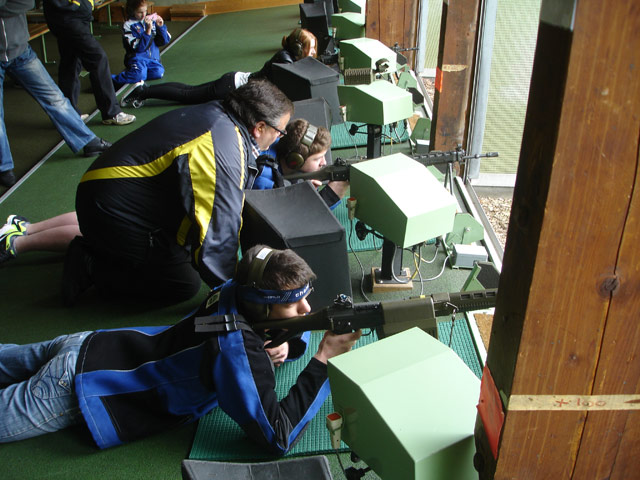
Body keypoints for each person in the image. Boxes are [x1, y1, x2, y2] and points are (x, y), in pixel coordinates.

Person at [0, 245, 362, 452]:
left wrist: (285, 340)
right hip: (79, 387)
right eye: (293, 304)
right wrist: (323, 360)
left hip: (87, 345)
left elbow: (252, 333)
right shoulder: (236, 350)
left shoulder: (231, 290)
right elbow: (277, 436)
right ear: (263, 307)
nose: (306, 310)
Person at [1, 79, 292, 307]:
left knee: (180, 247)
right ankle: (90, 265)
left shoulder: (221, 116)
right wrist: (236, 296)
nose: (279, 137)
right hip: (110, 205)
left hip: (109, 188)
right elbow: (218, 235)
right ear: (259, 127)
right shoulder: (222, 148)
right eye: (280, 132)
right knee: (182, 283)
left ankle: (84, 242)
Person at [0, 0, 113, 188]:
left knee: (54, 98)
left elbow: (27, 2)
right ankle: (4, 169)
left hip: (20, 51)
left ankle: (88, 141)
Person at [120, 27, 318, 108]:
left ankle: (144, 90)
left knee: (188, 90)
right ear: (298, 48)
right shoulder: (284, 61)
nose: (313, 52)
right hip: (232, 87)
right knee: (187, 95)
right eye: (310, 48)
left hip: (234, 81)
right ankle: (143, 91)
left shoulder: (288, 57)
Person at [42, 0, 136, 125]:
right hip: (68, 16)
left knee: (71, 62)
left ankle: (69, 114)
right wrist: (78, 4)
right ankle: (111, 113)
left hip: (74, 16)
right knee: (97, 59)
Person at [256, 118, 349, 209]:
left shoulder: (278, 142)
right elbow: (287, 216)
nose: (324, 162)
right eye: (317, 159)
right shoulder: (264, 180)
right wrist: (330, 196)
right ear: (296, 160)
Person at [111, 0, 171, 90]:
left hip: (152, 59)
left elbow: (164, 41)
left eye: (145, 11)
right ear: (132, 12)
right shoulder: (128, 25)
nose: (143, 15)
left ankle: (137, 72)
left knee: (158, 73)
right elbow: (139, 48)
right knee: (139, 76)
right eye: (140, 12)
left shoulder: (151, 20)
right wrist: (148, 31)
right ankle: (110, 80)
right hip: (137, 59)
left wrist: (160, 26)